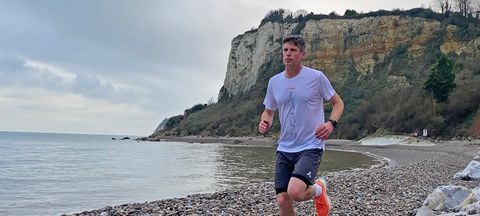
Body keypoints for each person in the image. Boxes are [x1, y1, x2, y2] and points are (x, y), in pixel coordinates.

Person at [258, 35, 344, 216]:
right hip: (285, 146)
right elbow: (269, 111)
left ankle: (319, 189)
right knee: (282, 201)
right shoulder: (274, 82)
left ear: (302, 54)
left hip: (311, 144)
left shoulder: (316, 77)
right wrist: (265, 121)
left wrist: (331, 123)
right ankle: (316, 188)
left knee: (296, 192)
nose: (288, 54)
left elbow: (338, 103)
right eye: (285, 50)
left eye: (293, 50)